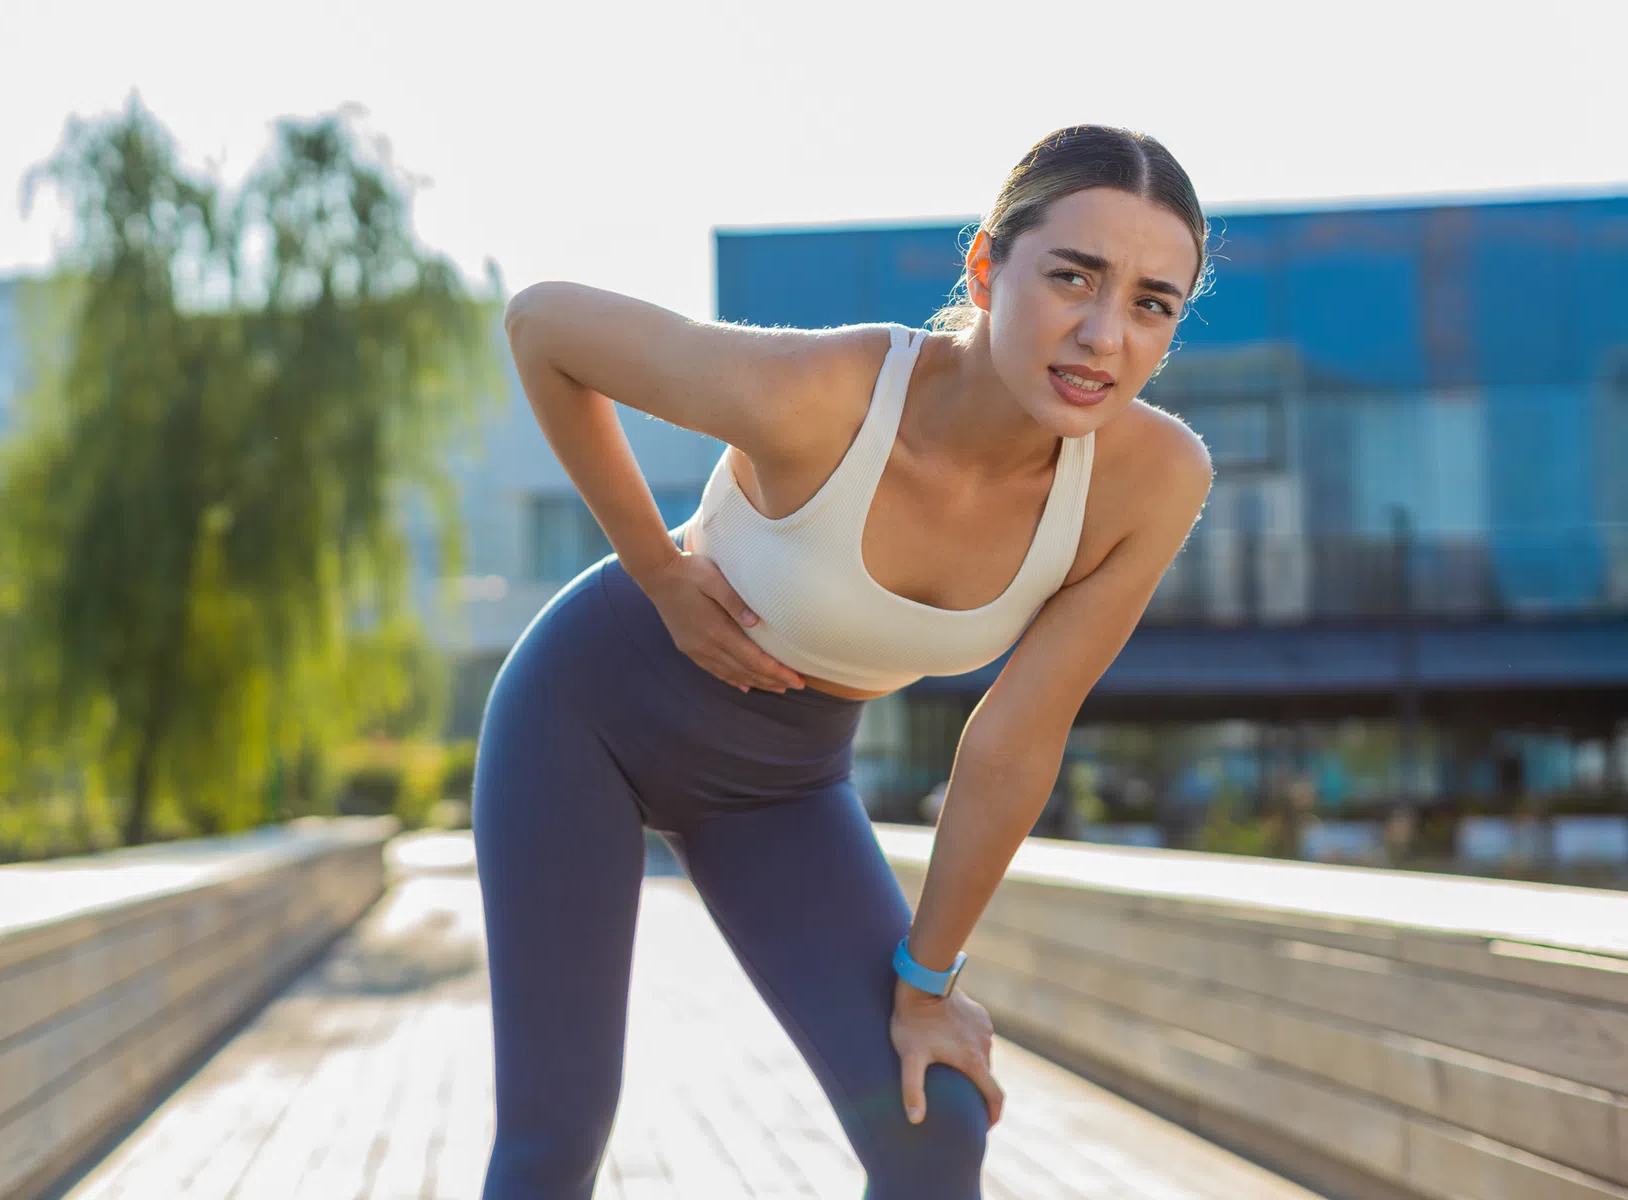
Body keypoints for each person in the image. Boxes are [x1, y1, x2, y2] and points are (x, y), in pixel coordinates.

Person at [472, 123, 1215, 1198]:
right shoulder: (822, 395)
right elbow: (543, 325)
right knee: (555, 1137)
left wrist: (929, 982)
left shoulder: (1152, 478)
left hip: (780, 787)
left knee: (935, 1129)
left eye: (1152, 303)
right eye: (1073, 278)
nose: (1105, 335)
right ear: (986, 268)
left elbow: (1012, 742)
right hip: (583, 719)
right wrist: (658, 572)